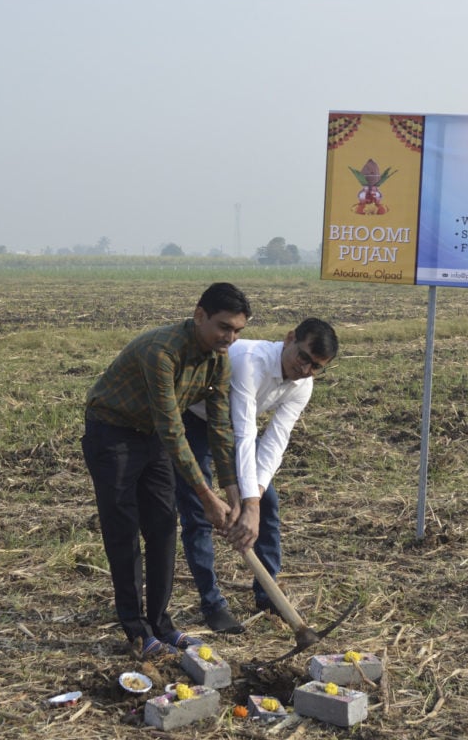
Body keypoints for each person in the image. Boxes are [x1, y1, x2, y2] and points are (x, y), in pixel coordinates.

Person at [80, 282, 251, 658]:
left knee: (162, 526)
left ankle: (161, 623)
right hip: (112, 434)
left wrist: (233, 494)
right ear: (199, 315)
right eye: (224, 326)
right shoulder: (162, 351)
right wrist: (207, 497)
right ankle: (136, 631)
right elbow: (173, 428)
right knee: (123, 532)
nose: (230, 337)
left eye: (238, 330)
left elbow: (220, 427)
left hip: (150, 436)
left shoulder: (219, 360)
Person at [175, 318, 339, 633]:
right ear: (290, 338)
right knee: (199, 510)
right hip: (194, 421)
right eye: (303, 357)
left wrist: (256, 500)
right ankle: (213, 604)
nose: (305, 369)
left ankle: (268, 596)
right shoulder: (251, 362)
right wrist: (246, 504)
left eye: (316, 367)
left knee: (269, 505)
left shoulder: (303, 385)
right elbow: (245, 435)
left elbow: (275, 441)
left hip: (233, 429)